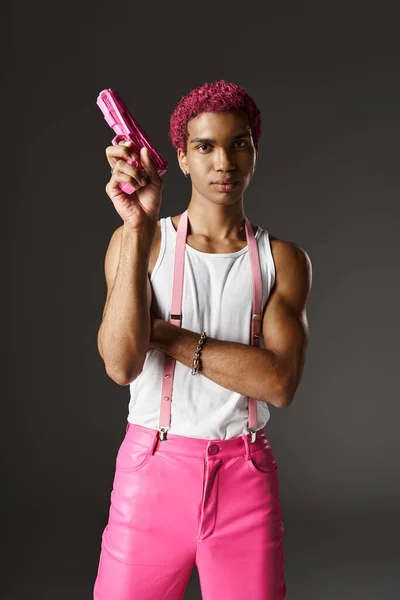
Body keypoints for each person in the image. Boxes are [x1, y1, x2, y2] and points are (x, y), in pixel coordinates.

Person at [93, 79, 312, 600]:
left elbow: (278, 383)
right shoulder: (139, 241)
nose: (224, 162)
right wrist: (140, 226)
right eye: (205, 146)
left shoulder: (281, 260)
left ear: (255, 153)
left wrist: (164, 334)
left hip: (245, 475)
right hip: (151, 473)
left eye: (239, 144)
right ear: (183, 159)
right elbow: (121, 363)